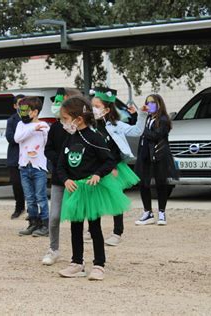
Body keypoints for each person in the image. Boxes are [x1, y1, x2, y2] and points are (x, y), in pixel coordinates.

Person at [56, 96, 130, 280]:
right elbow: (60, 165)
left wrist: (97, 174)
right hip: (75, 191)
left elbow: (109, 160)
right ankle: (76, 263)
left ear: (78, 119)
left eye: (65, 119)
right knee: (75, 227)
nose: (63, 123)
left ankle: (99, 265)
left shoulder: (94, 137)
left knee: (95, 227)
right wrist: (65, 180)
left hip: (91, 189)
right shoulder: (69, 138)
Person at [91, 87, 146, 246]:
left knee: (115, 198)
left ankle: (117, 232)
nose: (93, 109)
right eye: (92, 106)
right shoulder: (90, 126)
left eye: (97, 106)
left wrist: (140, 115)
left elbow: (136, 131)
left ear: (106, 109)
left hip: (114, 167)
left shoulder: (116, 125)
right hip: (95, 167)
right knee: (93, 196)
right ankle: (92, 229)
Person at [42, 88, 81, 265]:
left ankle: (78, 255)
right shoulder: (55, 128)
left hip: (78, 180)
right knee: (55, 216)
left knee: (77, 218)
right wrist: (59, 161)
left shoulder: (80, 129)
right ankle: (53, 248)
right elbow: (48, 149)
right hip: (59, 178)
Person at [134, 94, 178, 226]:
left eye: (152, 103)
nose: (150, 105)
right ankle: (147, 212)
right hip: (145, 155)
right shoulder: (147, 118)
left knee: (160, 183)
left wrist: (143, 130)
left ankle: (162, 212)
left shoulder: (163, 119)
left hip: (159, 155)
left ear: (159, 104)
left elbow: (157, 135)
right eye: (148, 103)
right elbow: (136, 126)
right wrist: (139, 114)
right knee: (143, 183)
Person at [15, 97, 50, 237]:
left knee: (40, 196)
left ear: (35, 112)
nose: (22, 113)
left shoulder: (44, 126)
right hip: (24, 166)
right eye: (20, 110)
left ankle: (45, 224)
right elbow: (17, 138)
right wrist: (32, 130)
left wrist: (40, 130)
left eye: (25, 111)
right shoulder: (21, 125)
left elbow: (47, 142)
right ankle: (33, 222)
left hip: (38, 167)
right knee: (29, 197)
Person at [6, 94, 26, 219]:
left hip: (29, 157)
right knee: (17, 184)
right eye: (20, 104)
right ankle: (19, 207)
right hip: (15, 157)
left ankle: (34, 211)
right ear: (15, 106)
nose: (22, 106)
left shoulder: (31, 119)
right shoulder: (11, 120)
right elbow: (10, 138)